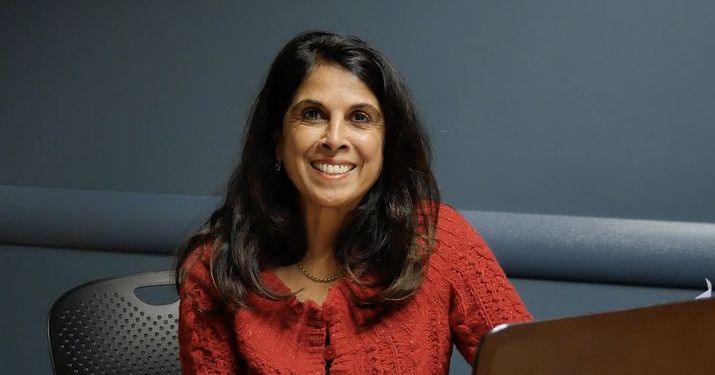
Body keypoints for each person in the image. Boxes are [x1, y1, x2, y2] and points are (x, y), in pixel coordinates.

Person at [175, 30, 531, 374]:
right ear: (278, 141)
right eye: (313, 114)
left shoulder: (438, 241)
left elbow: (534, 364)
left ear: (385, 144)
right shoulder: (216, 270)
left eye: (360, 118)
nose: (335, 138)